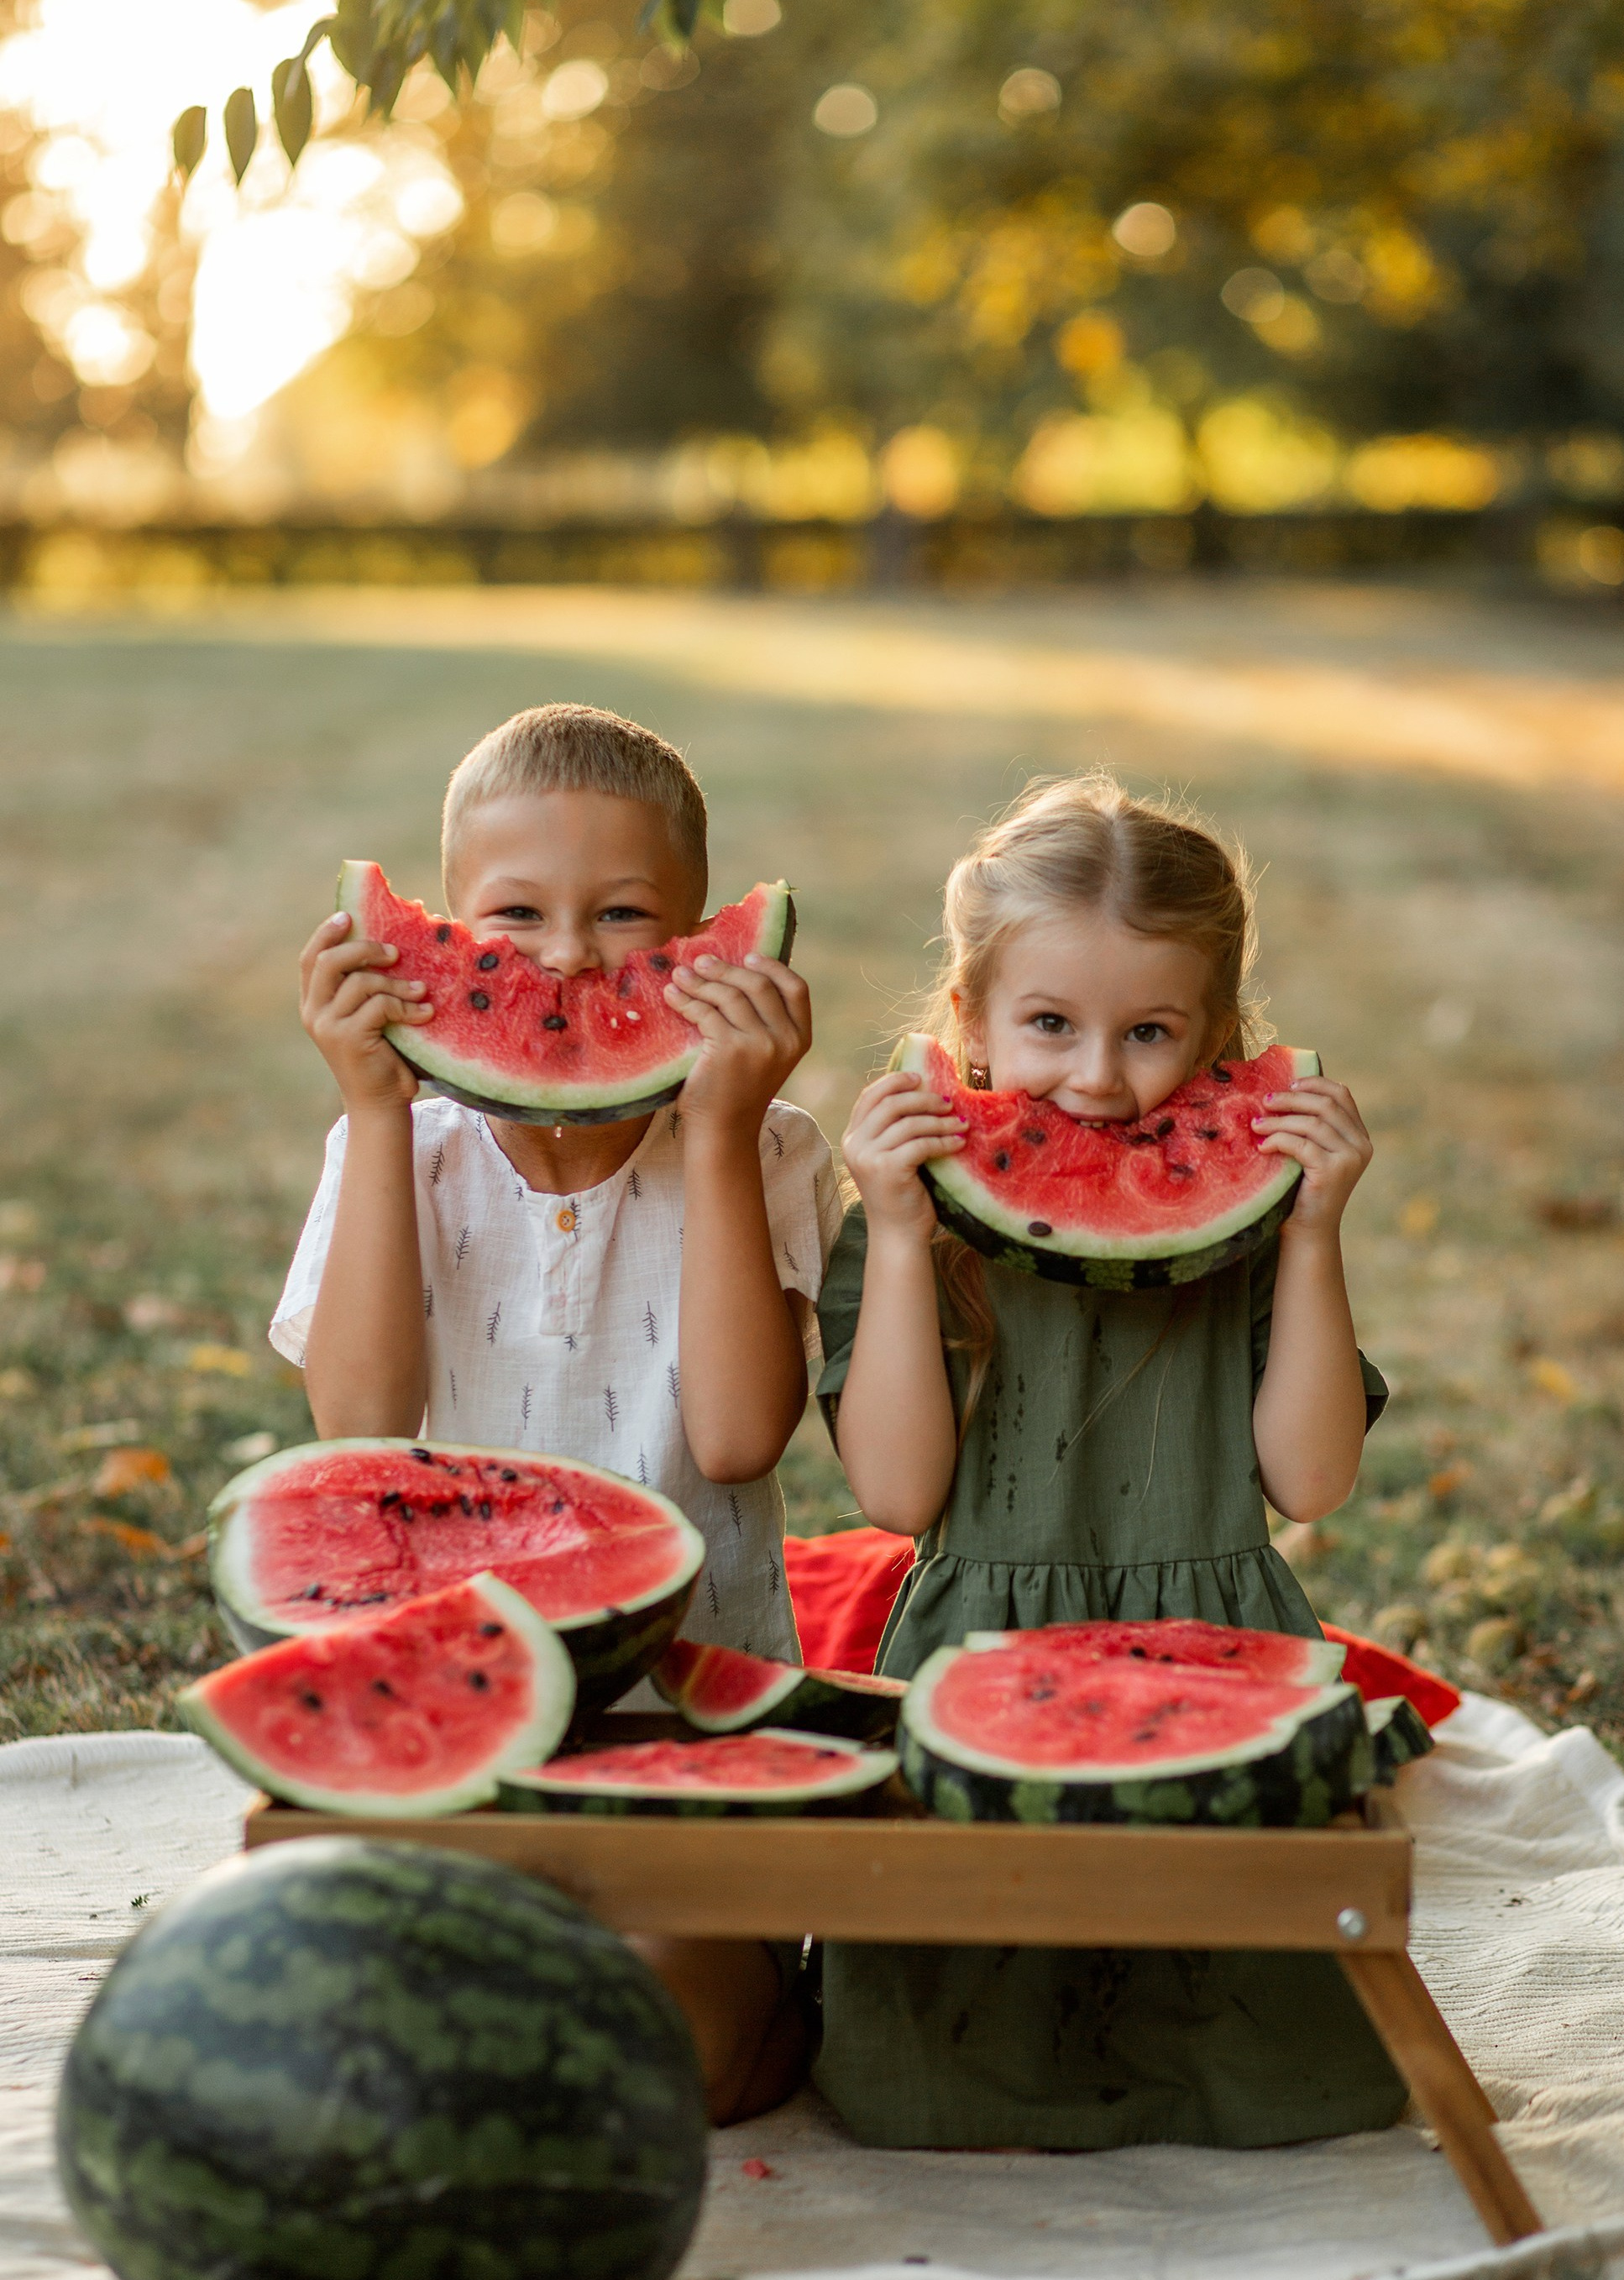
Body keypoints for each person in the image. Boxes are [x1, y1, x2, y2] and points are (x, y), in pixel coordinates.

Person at [813, 773, 1404, 2149]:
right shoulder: (915, 1227)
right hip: (981, 1655)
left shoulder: (1255, 1227)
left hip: (1218, 1651)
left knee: (1271, 2066)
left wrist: (1313, 1232)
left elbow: (1311, 1480)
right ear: (968, 1022)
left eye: (1149, 1032)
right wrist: (895, 1237)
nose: (1096, 1076)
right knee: (936, 2075)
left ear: (1220, 1037)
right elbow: (897, 1494)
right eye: (1049, 1025)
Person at [273, 701, 841, 2123]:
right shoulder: (397, 1146)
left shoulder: (769, 1146)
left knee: (657, 2038)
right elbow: (360, 1430)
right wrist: (378, 1112)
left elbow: (736, 1438)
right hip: (454, 1722)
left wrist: (721, 1129)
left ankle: (771, 2003)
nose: (572, 957)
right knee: (396, 2035)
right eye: (515, 915)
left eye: (626, 915)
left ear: (705, 937)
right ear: (445, 930)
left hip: (693, 1731)